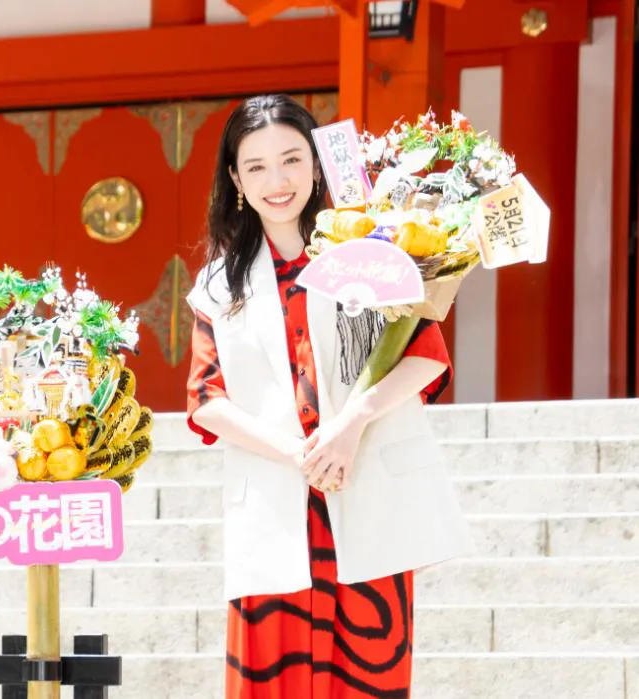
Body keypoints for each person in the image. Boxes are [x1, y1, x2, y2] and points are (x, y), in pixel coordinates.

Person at [185, 94, 472, 698]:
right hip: (277, 496)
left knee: (371, 675)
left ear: (317, 164)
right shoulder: (217, 284)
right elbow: (205, 398)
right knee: (270, 682)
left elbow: (426, 355)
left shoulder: (367, 251)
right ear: (235, 178)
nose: (278, 180)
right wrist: (301, 455)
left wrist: (351, 427)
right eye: (256, 166)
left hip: (364, 484)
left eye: (291, 159)